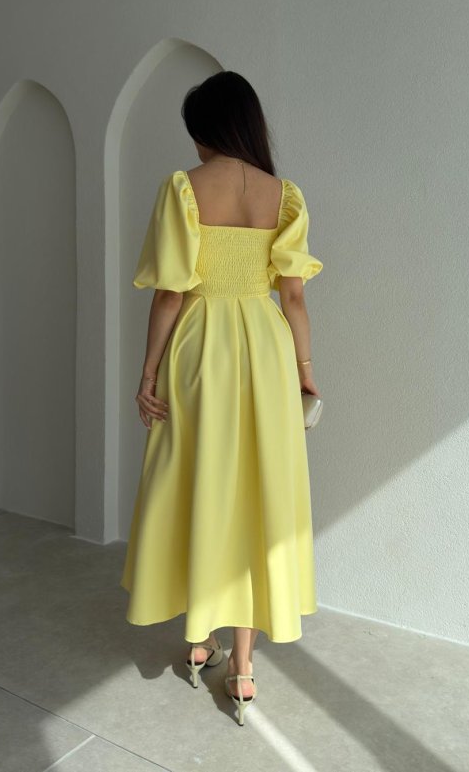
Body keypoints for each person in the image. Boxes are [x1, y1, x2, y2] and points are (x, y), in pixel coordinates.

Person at [119, 70, 323, 726]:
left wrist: (148, 371)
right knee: (257, 490)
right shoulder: (283, 196)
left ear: (208, 128)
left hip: (200, 345)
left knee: (197, 481)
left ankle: (199, 636)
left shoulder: (184, 187)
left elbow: (169, 292)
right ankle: (242, 666)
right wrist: (305, 370)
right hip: (265, 349)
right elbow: (294, 296)